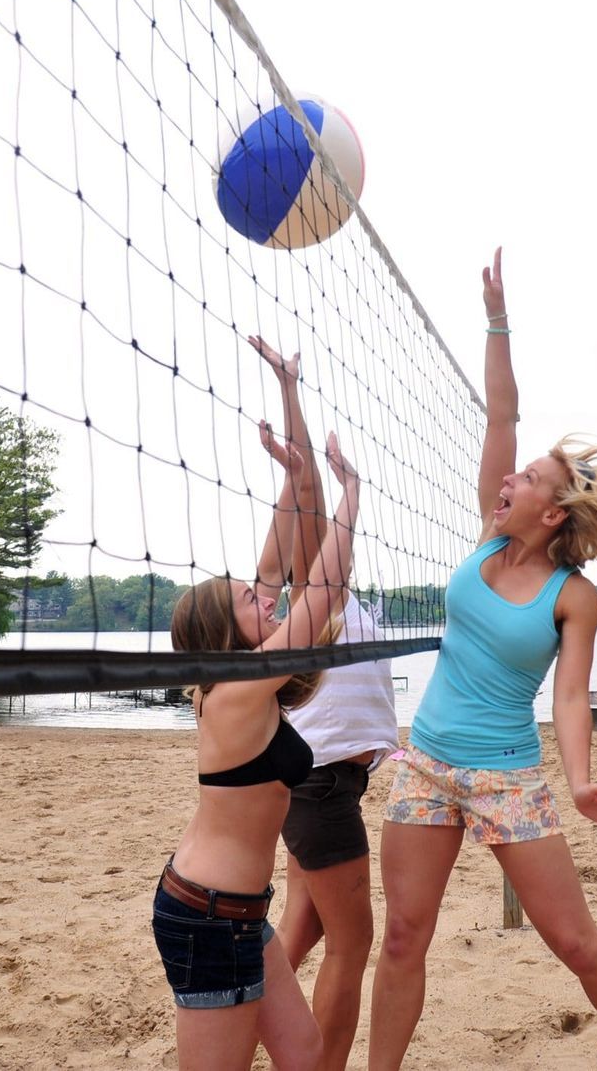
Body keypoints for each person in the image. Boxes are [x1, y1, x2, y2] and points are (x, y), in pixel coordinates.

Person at [368, 249, 597, 1071]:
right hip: (426, 761)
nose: (508, 476)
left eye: (528, 476)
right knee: (402, 936)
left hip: (508, 774)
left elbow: (570, 699)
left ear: (554, 508)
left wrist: (578, 782)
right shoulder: (487, 535)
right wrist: (497, 318)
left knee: (575, 941)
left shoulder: (572, 593)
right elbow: (501, 410)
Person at [151, 336, 362, 1071]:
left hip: (241, 911)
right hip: (208, 913)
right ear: (226, 629)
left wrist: (300, 475)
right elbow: (322, 590)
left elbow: (279, 558)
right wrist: (349, 495)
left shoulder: (241, 671)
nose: (264, 595)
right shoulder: (239, 687)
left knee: (303, 1052)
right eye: (251, 599)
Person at [252, 339, 399, 1071]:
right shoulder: (311, 599)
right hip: (315, 780)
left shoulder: (343, 598)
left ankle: (235, 1037)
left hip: (329, 778)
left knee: (301, 931)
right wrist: (290, 393)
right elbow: (309, 494)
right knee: (354, 941)